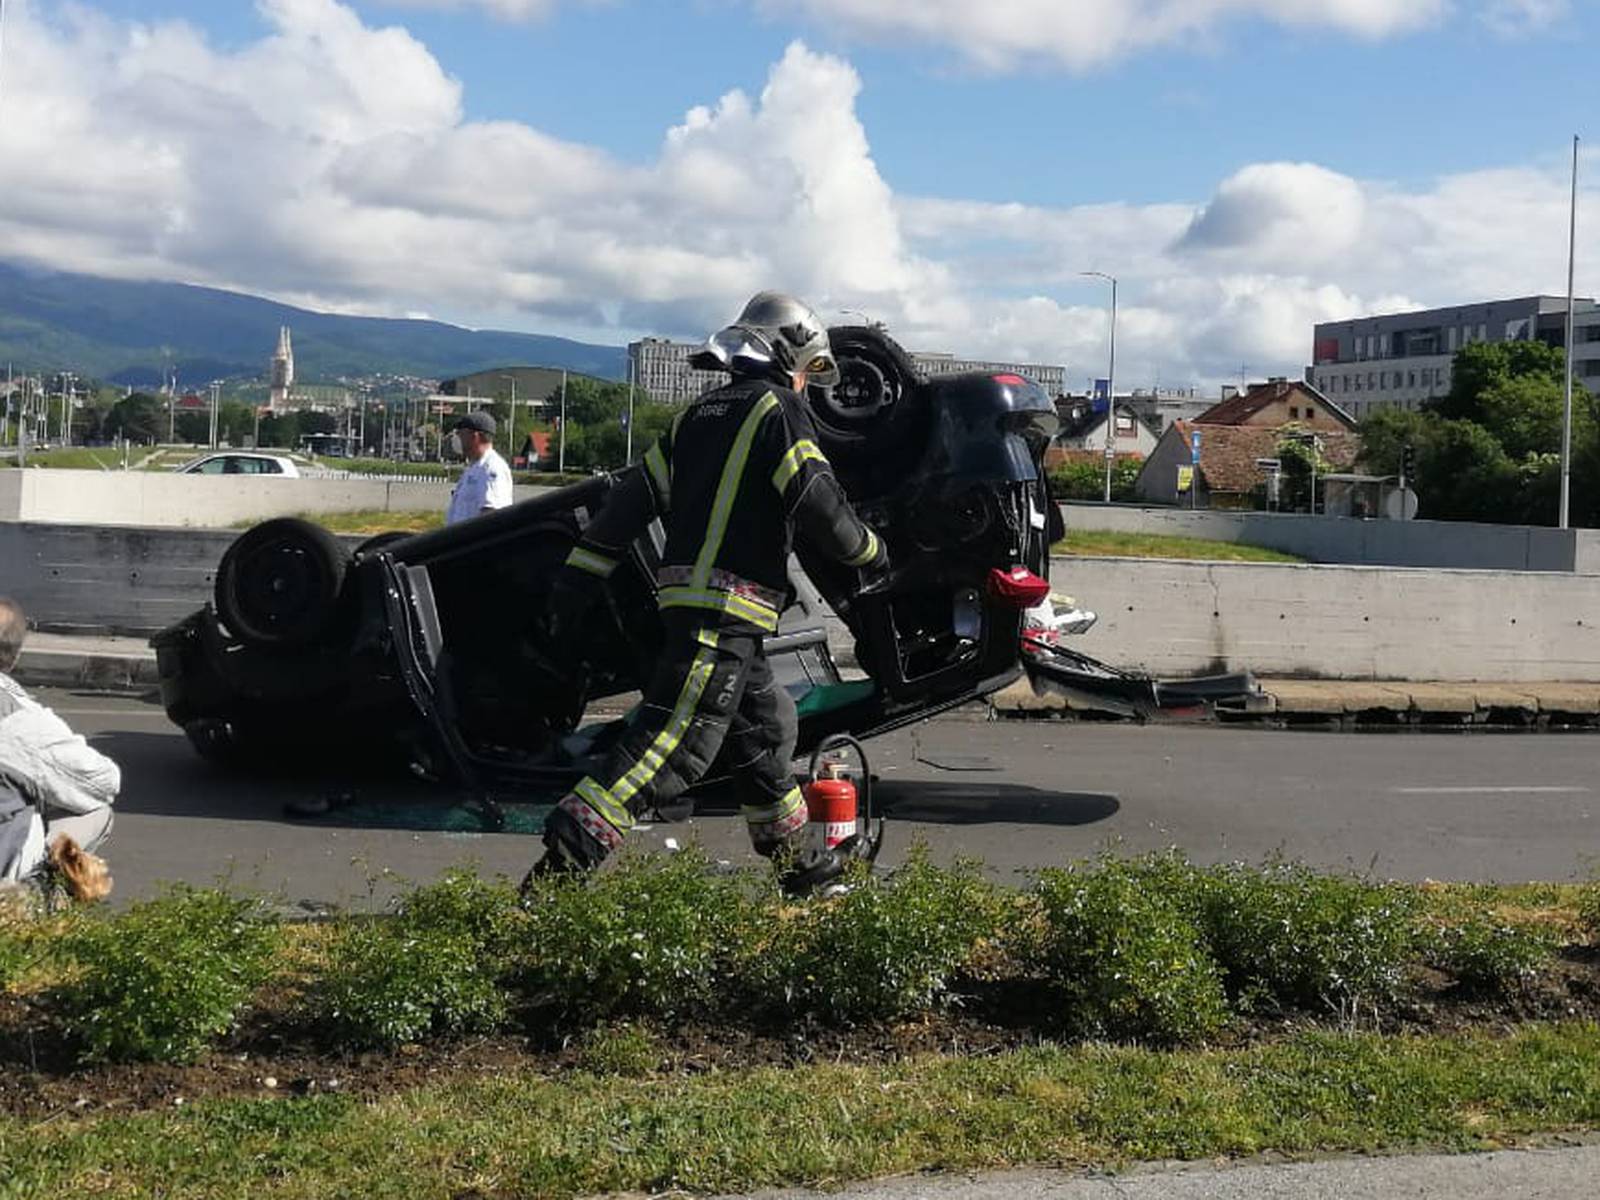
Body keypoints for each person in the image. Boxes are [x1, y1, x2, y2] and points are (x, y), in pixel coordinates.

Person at [524, 291, 889, 896]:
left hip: (702, 609)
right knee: (673, 748)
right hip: (724, 612)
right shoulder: (777, 410)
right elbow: (817, 500)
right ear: (789, 353)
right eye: (806, 370)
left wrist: (575, 579)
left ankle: (795, 865)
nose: (806, 385)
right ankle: (555, 877)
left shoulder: (698, 416)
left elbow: (627, 507)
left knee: (765, 733)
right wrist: (872, 552)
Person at [0, 597, 119, 902]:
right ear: (13, 658)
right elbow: (103, 781)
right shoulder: (20, 720)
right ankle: (31, 895)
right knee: (95, 809)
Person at [445, 410, 513, 525]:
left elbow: (491, 516)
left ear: (475, 437)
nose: (458, 438)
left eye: (461, 434)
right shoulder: (473, 468)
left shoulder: (491, 468)